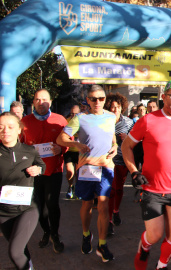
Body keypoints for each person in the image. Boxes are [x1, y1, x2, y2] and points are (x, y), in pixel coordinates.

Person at [121, 80, 171, 270]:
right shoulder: (148, 120)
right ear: (164, 97)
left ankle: (162, 265)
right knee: (155, 235)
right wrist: (134, 171)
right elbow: (126, 146)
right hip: (152, 187)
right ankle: (144, 246)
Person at [56, 85, 117, 262]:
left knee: (104, 205)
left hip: (106, 167)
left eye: (101, 98)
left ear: (105, 99)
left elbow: (112, 137)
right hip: (87, 168)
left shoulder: (111, 116)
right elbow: (61, 139)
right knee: (87, 205)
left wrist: (115, 147)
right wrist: (75, 145)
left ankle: (102, 245)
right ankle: (86, 234)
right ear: (87, 100)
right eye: (93, 99)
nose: (97, 102)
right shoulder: (80, 118)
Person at [21, 89, 68, 254]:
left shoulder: (60, 120)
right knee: (39, 207)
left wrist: (61, 148)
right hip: (33, 172)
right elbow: (18, 144)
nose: (41, 103)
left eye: (44, 99)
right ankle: (46, 231)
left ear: (50, 101)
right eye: (37, 100)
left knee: (52, 204)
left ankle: (55, 235)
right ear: (33, 102)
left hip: (53, 170)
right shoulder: (24, 122)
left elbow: (69, 142)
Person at [0, 112, 45, 270]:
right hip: (3, 212)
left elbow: (42, 166)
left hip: (27, 208)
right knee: (20, 247)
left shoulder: (29, 150)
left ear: (19, 130)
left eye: (10, 127)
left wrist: (38, 169)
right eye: (1, 127)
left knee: (14, 252)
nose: (6, 130)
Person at [104, 93, 134, 236]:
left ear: (122, 107)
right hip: (109, 160)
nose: (115, 109)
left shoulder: (128, 122)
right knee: (111, 191)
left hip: (123, 160)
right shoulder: (103, 121)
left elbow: (135, 142)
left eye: (118, 107)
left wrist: (127, 138)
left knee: (119, 189)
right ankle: (109, 221)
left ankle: (116, 211)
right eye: (112, 107)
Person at [64, 104, 81, 199]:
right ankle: (70, 187)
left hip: (79, 151)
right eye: (72, 114)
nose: (73, 116)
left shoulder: (83, 121)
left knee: (78, 172)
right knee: (70, 172)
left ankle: (78, 189)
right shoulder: (67, 121)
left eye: (76, 114)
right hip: (69, 150)